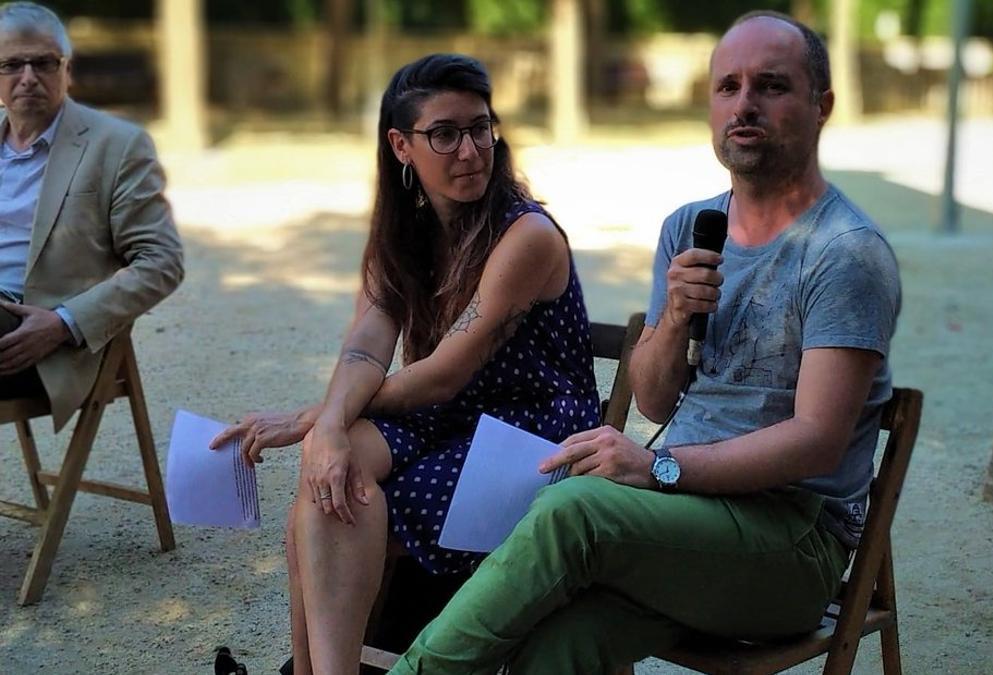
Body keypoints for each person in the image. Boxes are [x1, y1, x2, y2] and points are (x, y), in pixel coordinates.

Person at [388, 11, 902, 674]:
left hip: (791, 541)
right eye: (728, 87)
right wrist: (676, 317)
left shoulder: (845, 253)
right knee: (555, 645)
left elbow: (817, 441)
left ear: (821, 105)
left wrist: (658, 469)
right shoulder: (689, 226)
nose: (744, 104)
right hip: (687, 520)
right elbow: (657, 400)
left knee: (575, 510)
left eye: (771, 85)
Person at [212, 54, 600, 675]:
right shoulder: (406, 230)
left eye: (480, 128)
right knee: (333, 470)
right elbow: (365, 345)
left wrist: (315, 418)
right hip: (445, 418)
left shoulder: (525, 236)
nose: (470, 150)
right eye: (444, 134)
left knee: (344, 491)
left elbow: (445, 370)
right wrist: (331, 430)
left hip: (529, 434)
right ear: (401, 145)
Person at [0, 1, 183, 428]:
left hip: (39, 337)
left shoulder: (116, 146)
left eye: (43, 62)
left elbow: (163, 262)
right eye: (12, 64)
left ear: (66, 69)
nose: (28, 77)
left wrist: (64, 323)